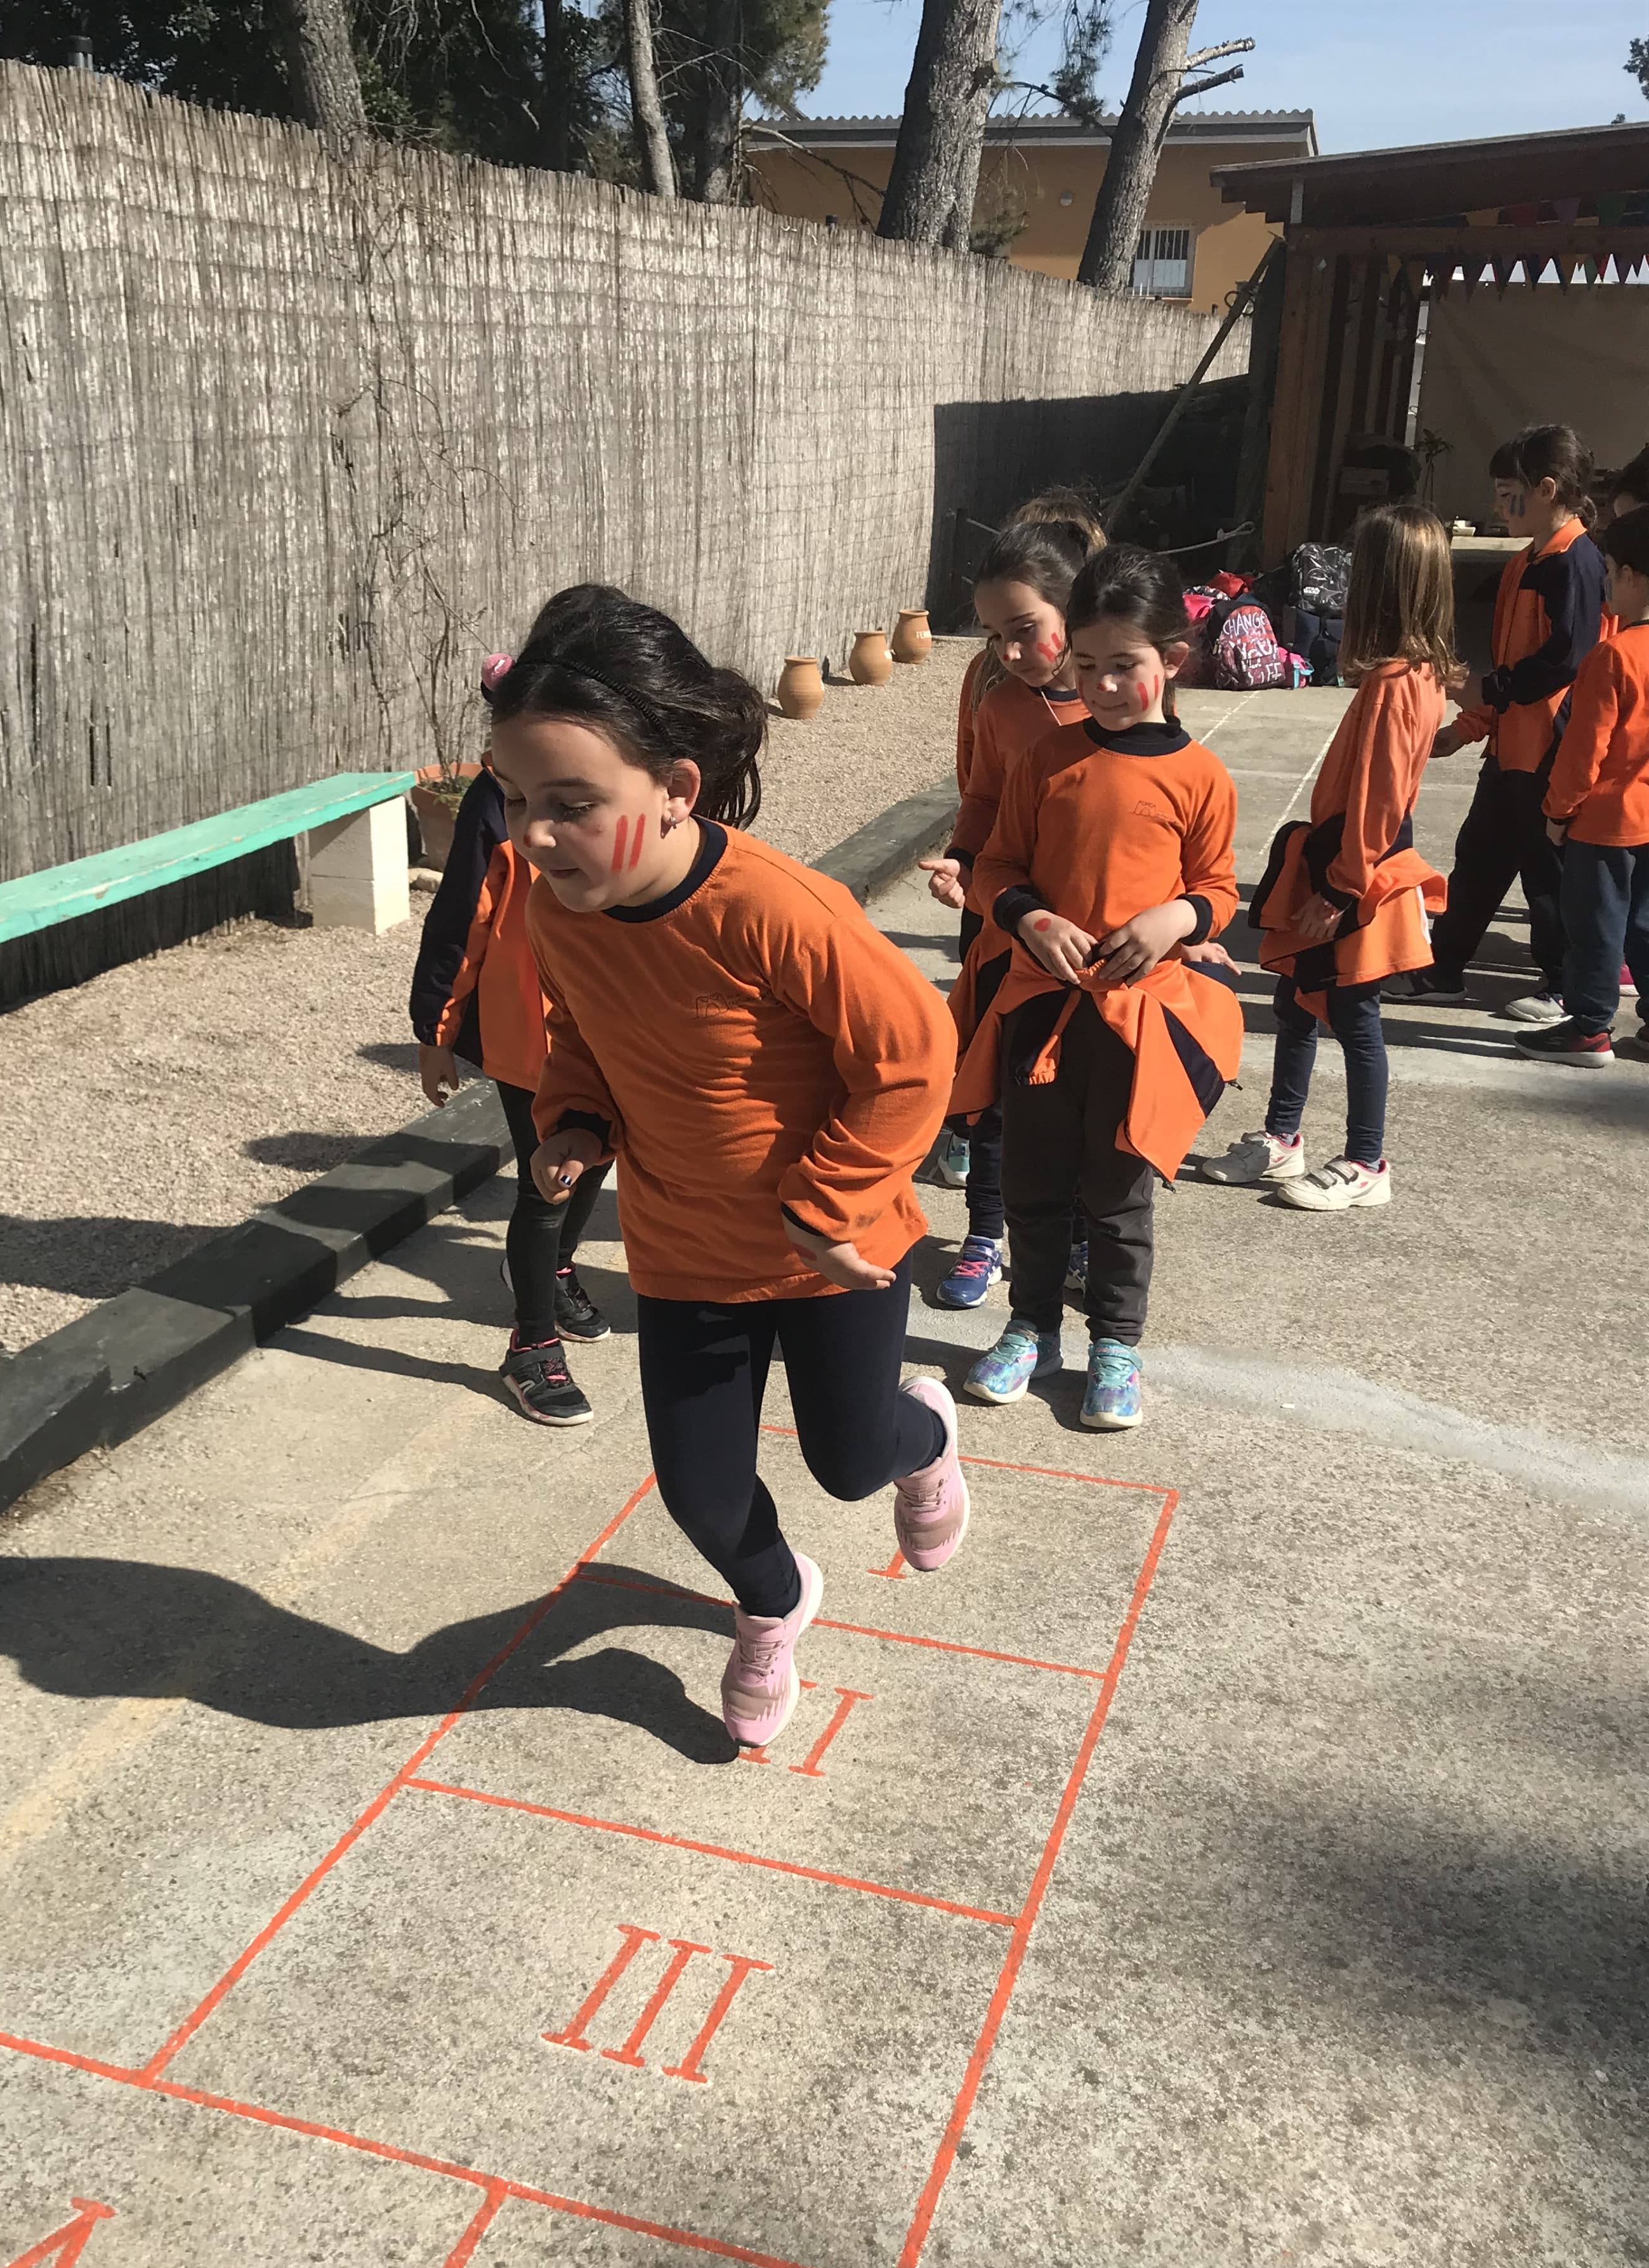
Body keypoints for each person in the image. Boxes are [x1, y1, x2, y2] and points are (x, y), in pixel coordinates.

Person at [491, 587, 962, 1750]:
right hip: (684, 1251)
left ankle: (927, 1437)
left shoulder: (781, 909)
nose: (531, 835)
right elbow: (581, 1036)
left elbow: (911, 1054)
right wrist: (573, 1123)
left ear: (675, 789)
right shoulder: (558, 910)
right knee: (699, 1494)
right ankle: (773, 1601)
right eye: (514, 798)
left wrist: (827, 1202)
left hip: (830, 1254)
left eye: (570, 805)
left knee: (851, 1462)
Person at [950, 546, 1242, 1429]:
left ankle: (1116, 1344)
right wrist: (1032, 919)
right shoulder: (1047, 758)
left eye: (1125, 665)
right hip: (1040, 1006)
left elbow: (1219, 889)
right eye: (1087, 665)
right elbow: (994, 867)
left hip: (1136, 1020)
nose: (1105, 685)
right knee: (1034, 1180)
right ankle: (1031, 1328)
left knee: (1117, 1194)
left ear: (1172, 660)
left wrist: (1176, 919)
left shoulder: (1200, 777)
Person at [1203, 502, 1459, 1210]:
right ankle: (1283, 1135)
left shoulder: (1398, 684)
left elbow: (1380, 800)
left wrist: (1342, 889)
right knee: (1295, 1000)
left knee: (1354, 1015)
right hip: (1346, 859)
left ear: (1383, 585)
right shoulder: (1409, 674)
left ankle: (1367, 1160)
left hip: (1360, 871)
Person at [410, 658, 611, 1427]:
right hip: (536, 1034)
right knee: (546, 1183)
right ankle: (531, 1345)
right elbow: (461, 919)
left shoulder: (622, 785)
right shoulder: (499, 803)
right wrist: (436, 1032)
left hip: (614, 1029)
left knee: (597, 1160)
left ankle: (553, 1271)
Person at [917, 521, 1094, 1308]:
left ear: (1075, 610)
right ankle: (985, 1234)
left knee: (1081, 1099)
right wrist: (963, 858)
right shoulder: (1001, 708)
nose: (1011, 652)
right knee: (990, 1094)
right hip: (1006, 934)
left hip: (1091, 948)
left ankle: (1080, 1234)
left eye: (1024, 629)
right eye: (994, 636)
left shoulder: (1127, 708)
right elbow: (983, 799)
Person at [1391, 424, 1606, 1020]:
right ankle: (1443, 969)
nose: (1497, 505)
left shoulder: (1577, 563)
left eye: (1508, 493)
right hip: (1510, 750)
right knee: (1480, 859)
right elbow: (1510, 663)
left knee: (1548, 876)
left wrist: (1490, 693)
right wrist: (1471, 725)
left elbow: (1565, 660)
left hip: (1551, 752)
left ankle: (1564, 986)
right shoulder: (1525, 562)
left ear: (1546, 490)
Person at [1522, 504, 1649, 1066]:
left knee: (1596, 926)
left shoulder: (1613, 655)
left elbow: (1583, 750)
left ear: (1631, 576)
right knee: (1644, 923)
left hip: (1605, 822)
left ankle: (1590, 1027)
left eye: (1612, 571)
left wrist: (1558, 811)